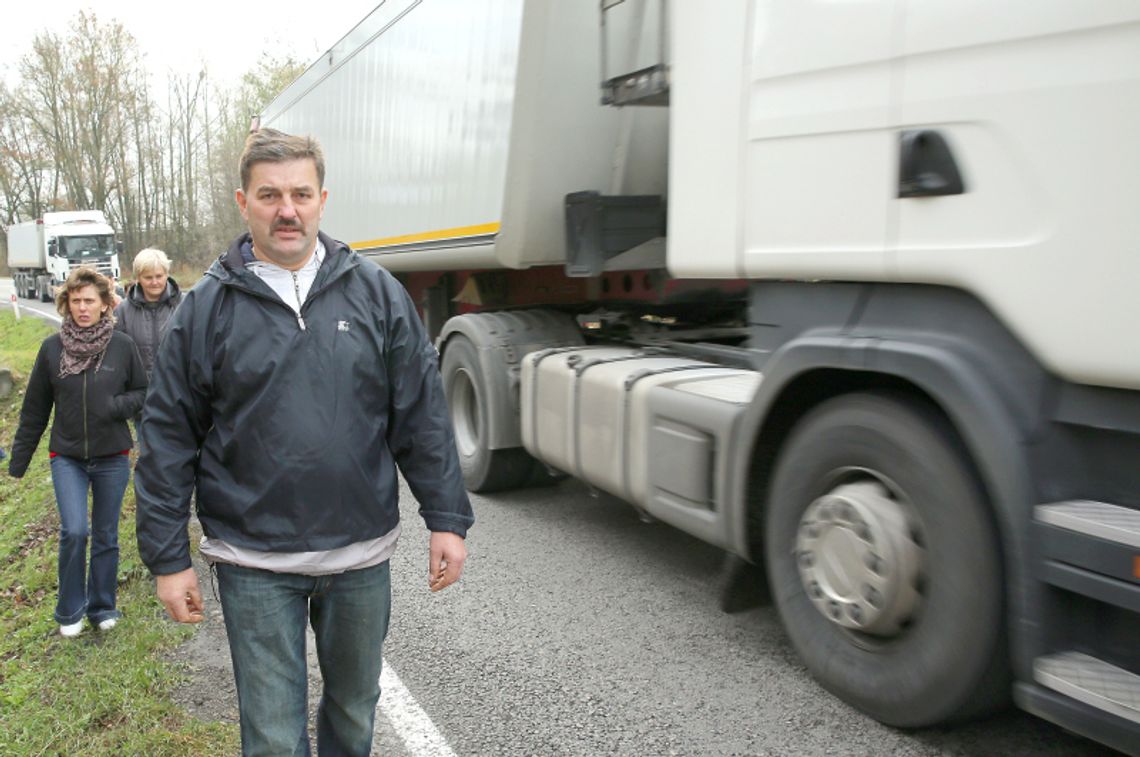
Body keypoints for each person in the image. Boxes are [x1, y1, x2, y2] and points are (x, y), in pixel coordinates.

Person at [134, 128, 474, 756]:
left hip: (359, 557)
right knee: (271, 734)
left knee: (352, 712)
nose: (286, 210)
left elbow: (420, 414)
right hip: (253, 560)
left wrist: (447, 517)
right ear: (243, 202)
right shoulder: (207, 308)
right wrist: (168, 558)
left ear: (323, 199)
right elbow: (167, 436)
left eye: (300, 193)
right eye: (269, 195)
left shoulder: (376, 294)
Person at [8, 267, 147, 637]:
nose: (82, 308)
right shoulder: (51, 349)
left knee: (106, 534)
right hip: (66, 456)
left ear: (105, 305)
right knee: (74, 530)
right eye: (75, 301)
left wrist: (116, 407)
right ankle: (70, 609)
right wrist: (18, 462)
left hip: (112, 455)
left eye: (90, 301)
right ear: (66, 305)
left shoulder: (122, 346)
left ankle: (102, 606)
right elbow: (35, 410)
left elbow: (144, 392)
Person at [112, 248, 182, 380]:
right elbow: (117, 355)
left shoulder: (185, 305)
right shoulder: (122, 312)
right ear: (138, 278)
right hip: (139, 390)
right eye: (148, 277)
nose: (154, 282)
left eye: (159, 276)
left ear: (167, 274)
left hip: (178, 387)